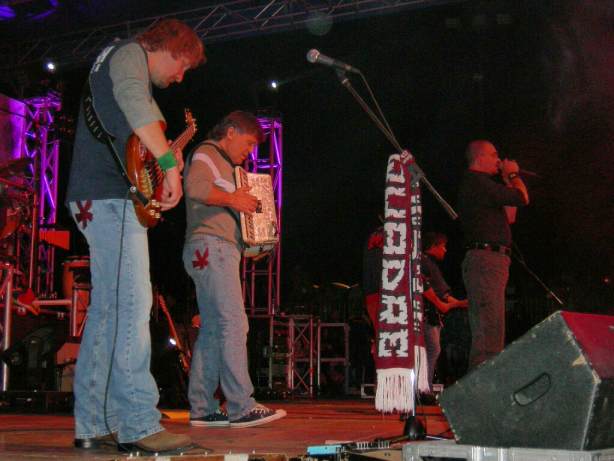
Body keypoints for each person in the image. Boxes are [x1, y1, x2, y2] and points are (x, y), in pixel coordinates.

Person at [65, 19, 205, 453]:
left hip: (95, 196)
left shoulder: (112, 56)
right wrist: (169, 167)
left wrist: (153, 167)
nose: (179, 78)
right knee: (132, 305)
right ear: (169, 48)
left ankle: (94, 422)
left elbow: (131, 127)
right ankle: (138, 423)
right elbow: (132, 100)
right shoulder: (129, 54)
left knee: (108, 312)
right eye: (182, 67)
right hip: (108, 199)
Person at [182, 111, 286, 428]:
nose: (250, 151)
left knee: (213, 329)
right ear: (230, 132)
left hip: (214, 247)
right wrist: (233, 199)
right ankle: (241, 406)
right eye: (248, 143)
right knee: (233, 323)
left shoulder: (227, 166)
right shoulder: (207, 153)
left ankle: (202, 407)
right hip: (212, 246)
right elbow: (195, 188)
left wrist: (253, 242)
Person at [457, 140, 529, 369]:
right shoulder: (476, 182)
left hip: (491, 261)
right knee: (488, 329)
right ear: (480, 157)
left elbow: (510, 216)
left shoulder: (483, 186)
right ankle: (483, 384)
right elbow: (522, 197)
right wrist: (514, 174)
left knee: (492, 327)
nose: (498, 160)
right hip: (485, 260)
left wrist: (507, 179)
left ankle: (486, 381)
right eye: (494, 155)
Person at [420, 232, 468, 396]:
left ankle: (423, 387)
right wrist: (458, 303)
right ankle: (423, 389)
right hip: (427, 314)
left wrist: (459, 303)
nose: (445, 250)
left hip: (429, 314)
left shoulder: (428, 263)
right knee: (433, 349)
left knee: (431, 350)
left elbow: (444, 294)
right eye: (443, 246)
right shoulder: (425, 263)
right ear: (433, 246)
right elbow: (436, 292)